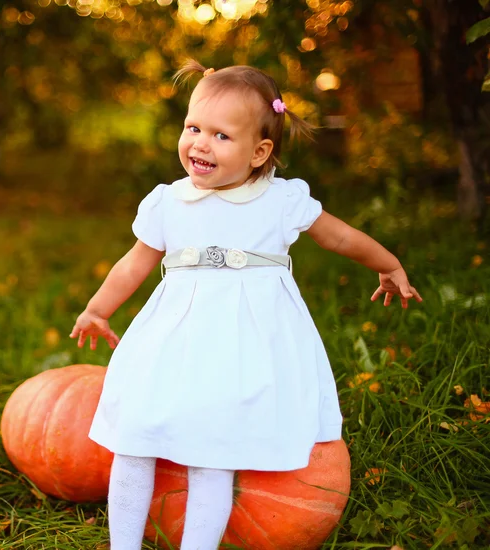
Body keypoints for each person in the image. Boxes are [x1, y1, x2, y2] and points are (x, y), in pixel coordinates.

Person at [69, 59, 422, 550]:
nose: (200, 143)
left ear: (260, 152)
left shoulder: (280, 200)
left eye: (220, 135)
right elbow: (134, 264)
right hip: (172, 341)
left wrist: (388, 264)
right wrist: (97, 308)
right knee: (135, 439)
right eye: (193, 127)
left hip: (240, 351)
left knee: (214, 454)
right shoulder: (168, 202)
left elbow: (339, 237)